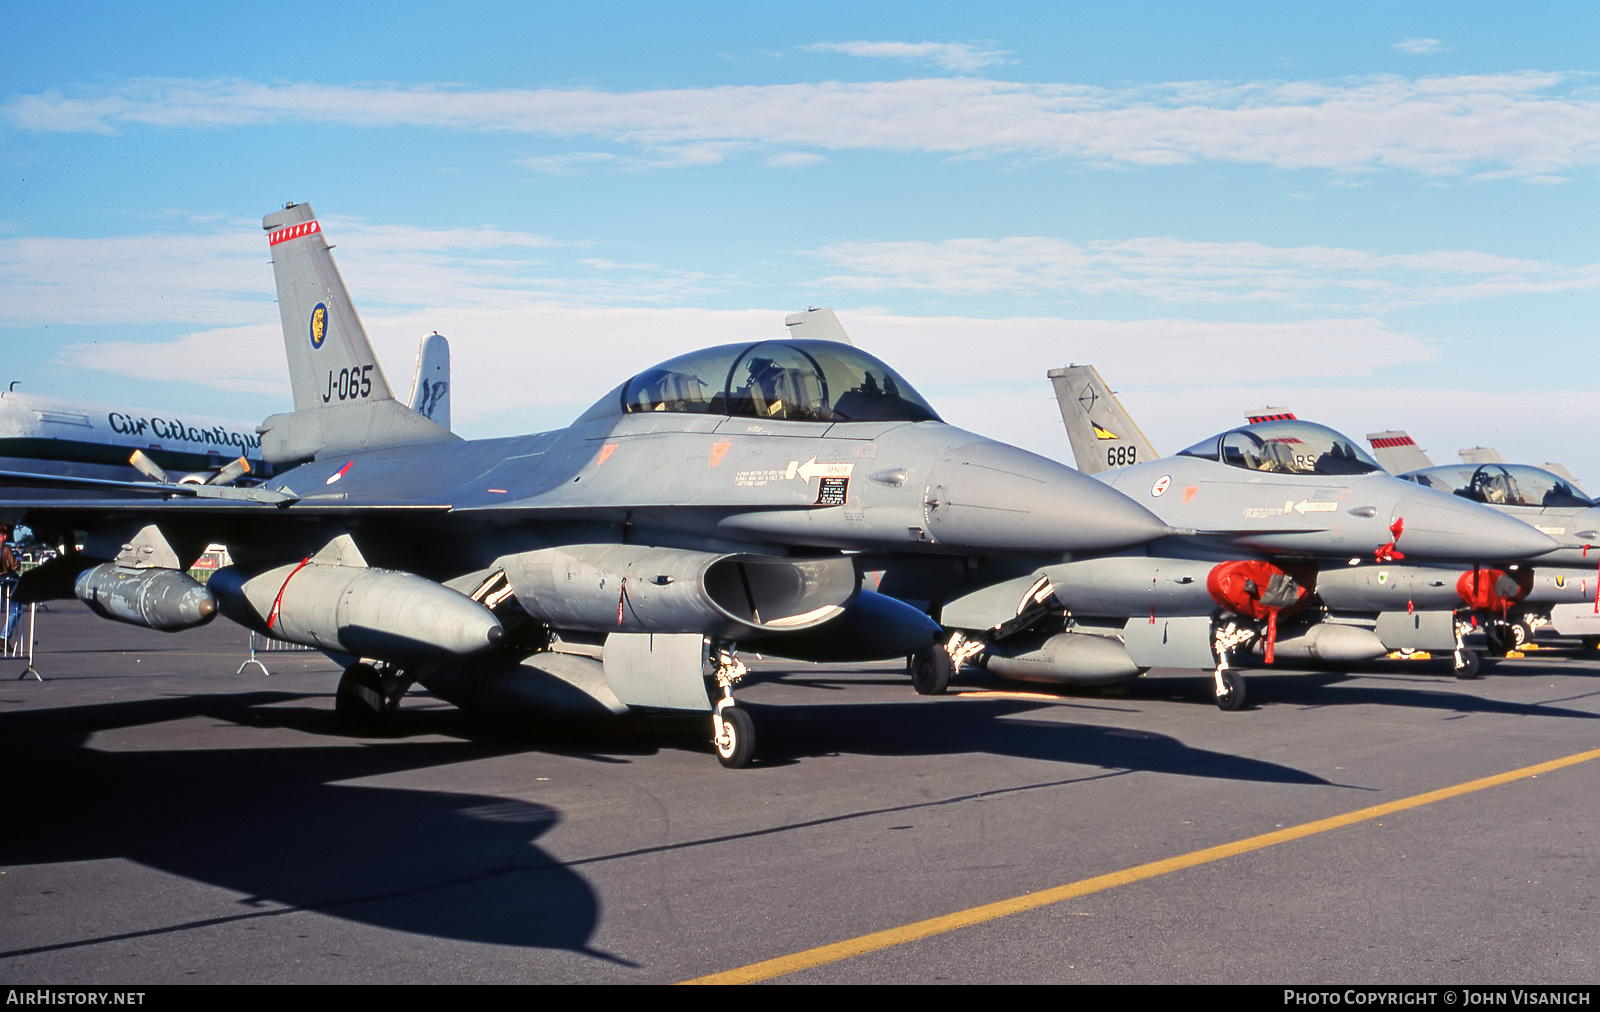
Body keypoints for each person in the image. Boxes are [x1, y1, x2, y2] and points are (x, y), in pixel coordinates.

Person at [0, 525, 21, 647]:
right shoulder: (6, 548)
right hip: (7, 581)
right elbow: (14, 566)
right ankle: (4, 637)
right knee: (15, 610)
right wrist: (18, 562)